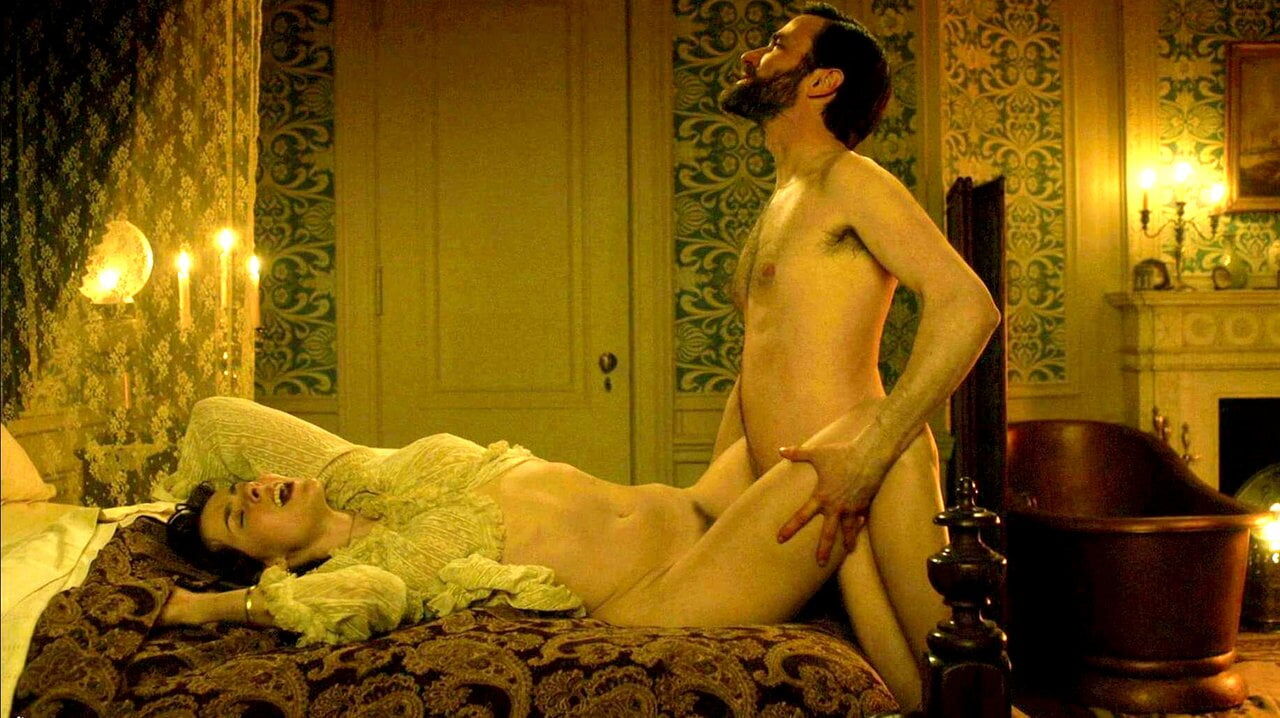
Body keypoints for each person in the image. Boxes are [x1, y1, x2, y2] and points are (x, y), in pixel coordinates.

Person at [160, 4, 999, 708]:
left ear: (821, 83)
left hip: (844, 462)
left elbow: (969, 307)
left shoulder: (850, 180)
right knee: (910, 660)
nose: (754, 55)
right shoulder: (782, 201)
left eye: (778, 46)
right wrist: (734, 489)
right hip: (743, 501)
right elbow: (762, 367)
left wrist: (868, 452)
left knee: (943, 648)